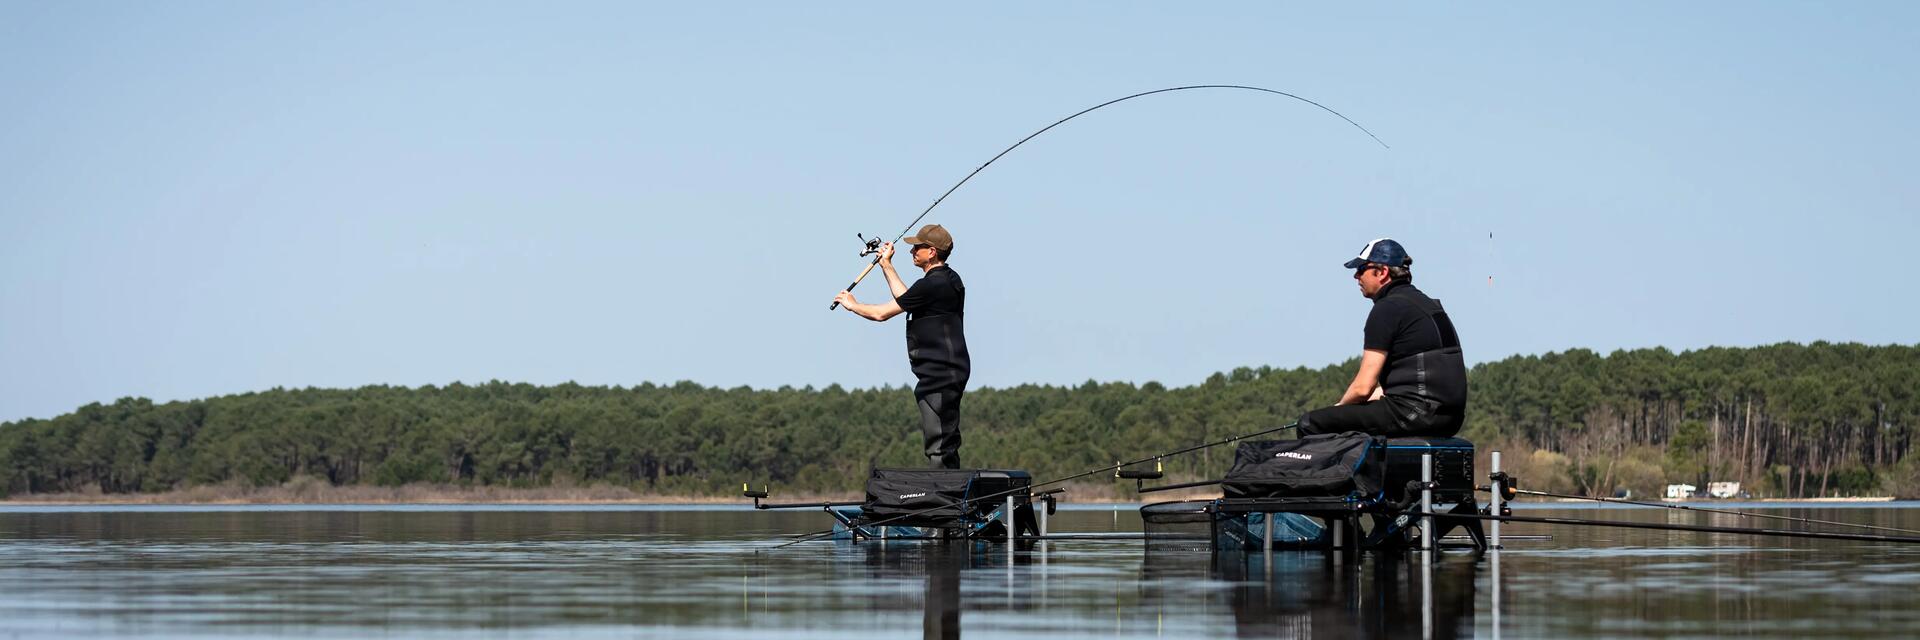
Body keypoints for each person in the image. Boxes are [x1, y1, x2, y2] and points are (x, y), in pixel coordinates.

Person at [1297, 238, 1468, 438]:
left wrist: (1339, 408)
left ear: (1382, 272)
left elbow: (1363, 387)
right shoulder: (1429, 305)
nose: (1356, 276)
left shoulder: (1387, 308)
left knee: (1310, 423)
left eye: (1361, 269)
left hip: (1413, 414)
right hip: (1450, 420)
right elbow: (1405, 386)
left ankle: (1346, 471)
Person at [833, 224, 971, 468]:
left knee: (939, 443)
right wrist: (886, 265)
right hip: (947, 371)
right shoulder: (949, 279)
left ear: (931, 252)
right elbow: (907, 298)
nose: (912, 251)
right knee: (944, 439)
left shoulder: (931, 285)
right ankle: (949, 494)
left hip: (939, 375)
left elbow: (882, 313)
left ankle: (946, 499)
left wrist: (852, 304)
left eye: (917, 247)